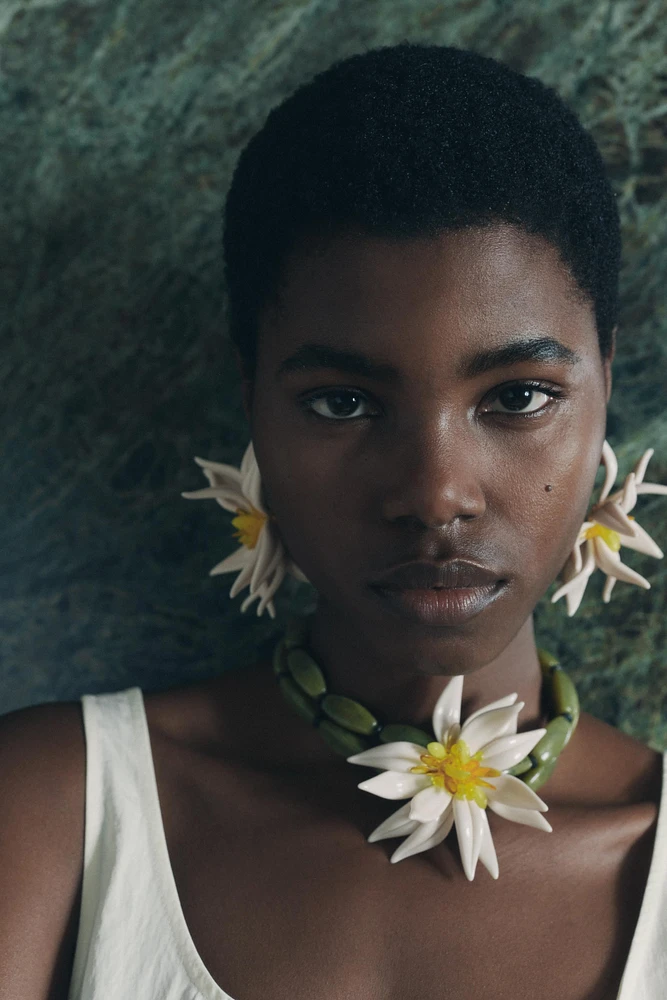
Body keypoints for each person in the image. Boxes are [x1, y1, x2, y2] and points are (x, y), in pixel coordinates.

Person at [1, 40, 665, 1000]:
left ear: (604, 382)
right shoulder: (60, 808)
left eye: (517, 396)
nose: (437, 494)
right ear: (252, 402)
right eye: (343, 403)